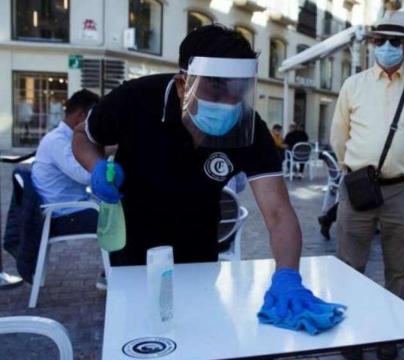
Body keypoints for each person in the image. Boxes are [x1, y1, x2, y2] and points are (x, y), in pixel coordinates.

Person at [72, 25, 343, 334]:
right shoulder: (135, 100)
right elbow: (83, 136)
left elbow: (279, 213)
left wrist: (288, 276)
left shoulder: (249, 126)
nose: (227, 102)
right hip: (134, 246)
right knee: (136, 332)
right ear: (181, 84)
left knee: (201, 332)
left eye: (236, 90)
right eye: (215, 89)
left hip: (200, 247)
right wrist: (95, 167)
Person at [330, 11, 404, 360]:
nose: (387, 47)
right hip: (359, 186)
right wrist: (358, 168)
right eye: (381, 40)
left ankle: (388, 336)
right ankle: (350, 337)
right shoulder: (353, 85)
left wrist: (399, 167)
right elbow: (339, 137)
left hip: (403, 190)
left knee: (398, 269)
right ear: (373, 43)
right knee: (349, 265)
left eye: (395, 41)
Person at [32, 89, 105, 289]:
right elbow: (86, 175)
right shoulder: (57, 141)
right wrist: (103, 152)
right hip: (61, 215)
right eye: (92, 117)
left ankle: (113, 270)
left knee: (116, 208)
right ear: (82, 116)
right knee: (118, 219)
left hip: (68, 208)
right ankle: (110, 273)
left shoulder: (62, 138)